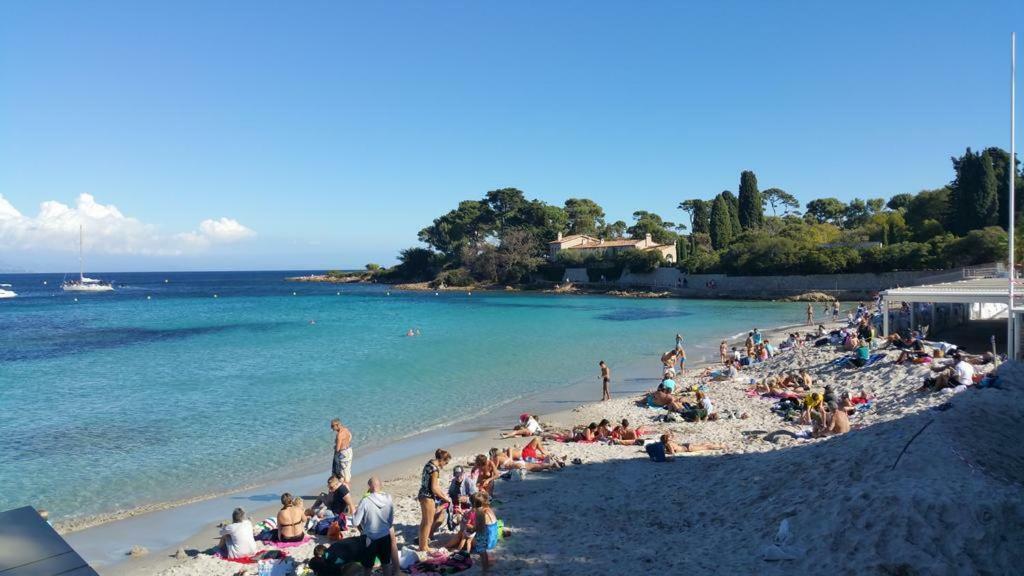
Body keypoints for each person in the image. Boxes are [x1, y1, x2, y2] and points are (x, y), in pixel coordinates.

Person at [352, 476, 397, 576]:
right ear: (380, 486)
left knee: (368, 566)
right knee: (386, 563)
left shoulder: (365, 501)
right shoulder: (388, 498)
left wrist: (354, 512)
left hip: (370, 538)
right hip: (385, 536)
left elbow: (355, 522)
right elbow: (390, 520)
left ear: (369, 487)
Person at [417, 449, 452, 553]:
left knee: (424, 522)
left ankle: (421, 544)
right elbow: (434, 488)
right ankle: (424, 547)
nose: (445, 465)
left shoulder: (429, 463)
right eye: (446, 462)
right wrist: (445, 498)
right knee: (428, 522)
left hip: (422, 493)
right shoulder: (435, 470)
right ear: (441, 460)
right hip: (428, 496)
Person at [470, 492, 499, 574]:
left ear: (474, 504)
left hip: (485, 536)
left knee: (482, 553)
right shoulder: (488, 509)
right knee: (484, 552)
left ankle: (485, 569)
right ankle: (487, 565)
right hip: (493, 534)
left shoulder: (480, 513)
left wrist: (472, 529)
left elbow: (479, 527)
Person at [660, 431, 725, 455]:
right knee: (703, 445)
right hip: (686, 445)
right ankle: (718, 445)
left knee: (706, 447)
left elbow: (672, 453)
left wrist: (666, 452)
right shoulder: (671, 442)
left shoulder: (668, 444)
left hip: (687, 448)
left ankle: (720, 446)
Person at [331, 419, 354, 484]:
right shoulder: (346, 430)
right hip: (349, 450)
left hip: (343, 453)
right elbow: (350, 437)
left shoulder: (339, 435)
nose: (332, 428)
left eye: (333, 426)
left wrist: (335, 448)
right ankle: (346, 489)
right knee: (347, 470)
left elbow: (338, 448)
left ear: (337, 425)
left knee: (342, 473)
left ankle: (345, 491)